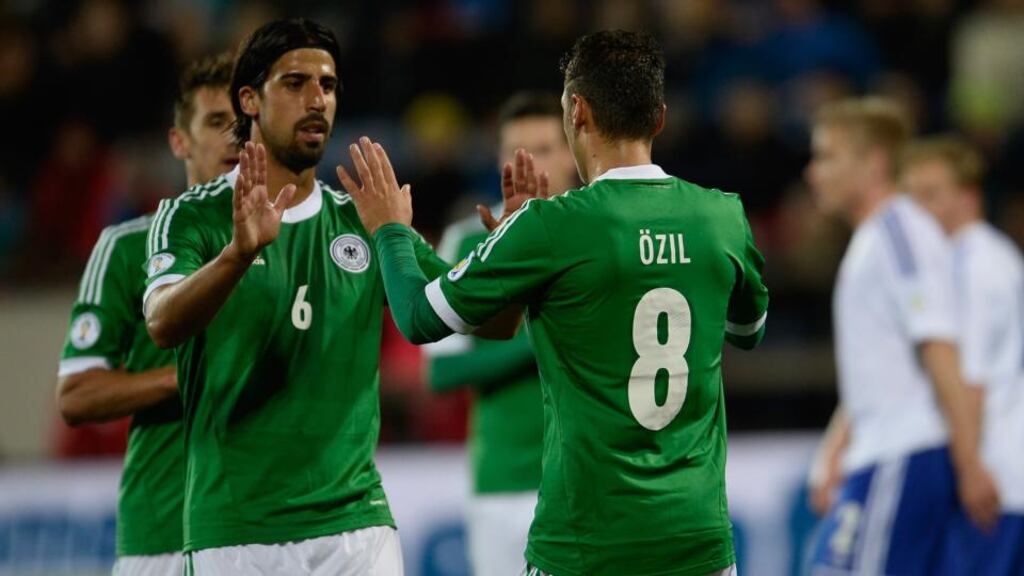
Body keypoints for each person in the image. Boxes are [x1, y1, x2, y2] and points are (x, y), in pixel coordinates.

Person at [339, 30, 767, 576]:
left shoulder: (549, 226)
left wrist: (390, 233)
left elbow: (419, 319)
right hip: (698, 539)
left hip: (584, 544)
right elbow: (748, 330)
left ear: (577, 113)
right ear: (659, 117)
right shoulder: (723, 214)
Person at [142, 19, 447, 575]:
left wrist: (507, 246)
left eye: (328, 86)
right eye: (295, 83)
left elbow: (479, 317)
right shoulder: (193, 215)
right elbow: (162, 322)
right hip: (235, 531)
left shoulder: (363, 218)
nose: (317, 100)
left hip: (356, 527)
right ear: (249, 100)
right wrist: (236, 256)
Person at [55, 52, 236, 576]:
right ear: (179, 141)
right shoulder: (128, 247)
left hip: (266, 528)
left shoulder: (292, 236)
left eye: (242, 125)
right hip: (163, 531)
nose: (233, 139)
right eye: (215, 122)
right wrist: (184, 378)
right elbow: (76, 394)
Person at [804, 99, 999, 575]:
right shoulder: (878, 236)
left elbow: (939, 349)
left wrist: (969, 461)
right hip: (884, 454)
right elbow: (886, 365)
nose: (814, 172)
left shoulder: (898, 233)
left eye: (828, 156)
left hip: (901, 455)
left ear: (872, 163)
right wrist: (835, 448)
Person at [424, 91, 578, 576]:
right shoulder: (470, 240)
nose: (533, 162)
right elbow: (442, 371)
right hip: (504, 483)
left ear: (573, 152)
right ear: (498, 160)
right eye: (519, 150)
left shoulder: (595, 227)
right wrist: (538, 338)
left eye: (547, 147)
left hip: (584, 478)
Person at [900, 136, 1024, 575]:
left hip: (993, 478)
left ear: (969, 197)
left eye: (931, 196)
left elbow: (972, 378)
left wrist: (968, 468)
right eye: (910, 198)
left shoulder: (974, 265)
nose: (916, 212)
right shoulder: (986, 257)